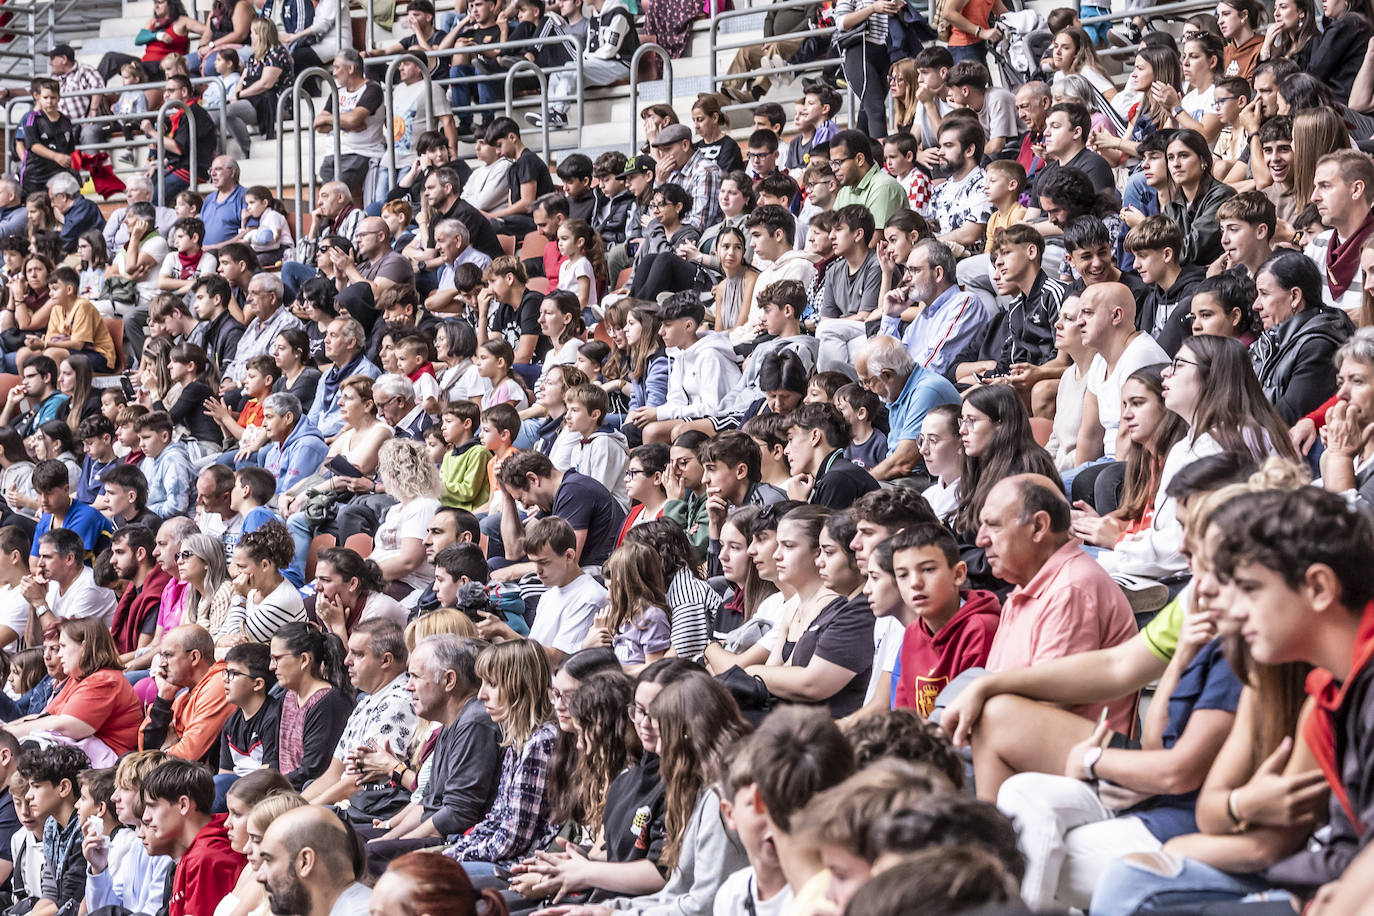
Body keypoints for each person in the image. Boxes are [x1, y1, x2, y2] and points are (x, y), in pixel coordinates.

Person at [975, 474, 1139, 730]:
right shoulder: (1029, 584)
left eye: (994, 526)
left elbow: (1040, 716)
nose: (980, 540)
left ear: (1039, 526)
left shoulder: (1072, 589)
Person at [300, 621, 415, 829]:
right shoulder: (369, 700)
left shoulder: (398, 702)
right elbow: (333, 775)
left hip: (370, 811)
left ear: (386, 660)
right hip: (347, 804)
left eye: (358, 654)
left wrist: (297, 814)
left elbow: (356, 783)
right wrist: (293, 808)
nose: (346, 661)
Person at [7, 617, 143, 764]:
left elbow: (66, 727)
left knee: (23, 753)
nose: (59, 655)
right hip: (84, 756)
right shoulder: (77, 678)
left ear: (84, 647)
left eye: (63, 646)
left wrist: (10, 734)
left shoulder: (105, 680)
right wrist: (7, 729)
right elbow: (44, 717)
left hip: (106, 768)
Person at [1251, 250, 1352, 423]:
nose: (1256, 305)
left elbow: (1284, 420)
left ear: (1295, 297)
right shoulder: (1270, 340)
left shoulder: (1318, 347)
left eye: (1265, 294)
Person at [854, 335, 960, 482]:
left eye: (867, 382)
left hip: (926, 479)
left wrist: (860, 484)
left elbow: (903, 463)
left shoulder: (926, 391)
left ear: (888, 375)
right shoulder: (898, 389)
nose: (866, 388)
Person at [140, 625, 233, 764]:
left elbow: (188, 755)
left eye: (168, 655)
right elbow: (144, 747)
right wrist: (164, 697)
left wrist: (163, 752)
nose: (162, 663)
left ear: (194, 657)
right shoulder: (184, 695)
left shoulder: (219, 683)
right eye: (162, 656)